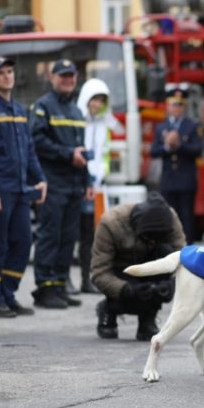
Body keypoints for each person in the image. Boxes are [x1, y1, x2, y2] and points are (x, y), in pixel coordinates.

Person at [0, 56, 47, 318]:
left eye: (10, 71)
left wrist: (40, 178)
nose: (7, 76)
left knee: (23, 241)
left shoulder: (20, 110)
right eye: (0, 72)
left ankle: (7, 293)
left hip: (20, 188)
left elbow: (29, 150)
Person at [30, 59, 91, 309]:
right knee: (50, 235)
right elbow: (36, 140)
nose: (67, 80)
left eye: (71, 76)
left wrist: (87, 180)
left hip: (74, 184)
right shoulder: (43, 106)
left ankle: (59, 284)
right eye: (62, 76)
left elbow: (81, 150)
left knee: (68, 238)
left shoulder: (76, 111)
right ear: (52, 78)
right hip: (52, 182)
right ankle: (44, 288)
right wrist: (67, 154)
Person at [91, 192, 184, 340]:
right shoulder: (111, 224)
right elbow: (99, 273)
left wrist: (171, 284)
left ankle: (148, 318)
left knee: (167, 254)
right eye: (149, 238)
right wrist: (127, 289)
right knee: (130, 295)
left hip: (150, 267)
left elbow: (183, 260)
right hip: (122, 271)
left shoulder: (170, 219)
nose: (152, 242)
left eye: (157, 239)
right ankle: (109, 308)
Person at [76, 78, 125, 294]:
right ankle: (80, 279)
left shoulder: (104, 122)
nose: (97, 104)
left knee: (97, 234)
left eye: (101, 100)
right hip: (82, 184)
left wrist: (101, 175)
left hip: (99, 185)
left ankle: (91, 278)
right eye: (94, 99)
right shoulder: (79, 120)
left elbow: (107, 147)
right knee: (82, 234)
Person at [151, 85, 204, 244]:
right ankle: (170, 248)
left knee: (187, 217)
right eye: (174, 104)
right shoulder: (161, 127)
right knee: (169, 216)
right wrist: (167, 146)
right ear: (168, 106)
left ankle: (187, 248)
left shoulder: (191, 125)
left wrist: (179, 145)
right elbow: (153, 151)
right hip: (168, 180)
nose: (177, 108)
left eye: (180, 105)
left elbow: (198, 150)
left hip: (186, 180)